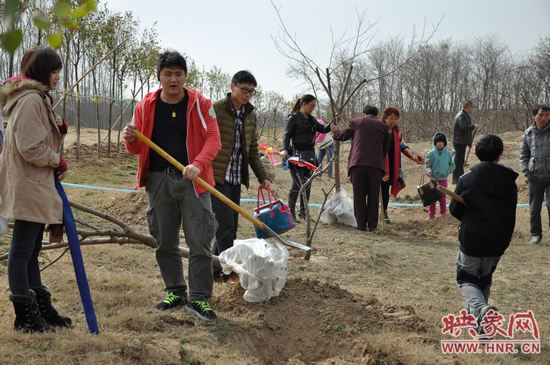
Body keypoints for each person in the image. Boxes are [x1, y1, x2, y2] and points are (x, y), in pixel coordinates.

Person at [123, 50, 221, 320]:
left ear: (185, 76)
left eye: (178, 74)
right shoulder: (146, 105)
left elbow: (214, 139)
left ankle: (199, 298)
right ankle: (175, 291)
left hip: (195, 181)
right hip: (158, 180)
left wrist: (198, 164)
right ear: (159, 77)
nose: (173, 79)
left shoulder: (201, 104)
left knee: (200, 240)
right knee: (164, 239)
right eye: (168, 74)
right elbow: (134, 148)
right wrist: (130, 138)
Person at [0, 47, 71, 333]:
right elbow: (30, 146)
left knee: (31, 251)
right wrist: (56, 159)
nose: (57, 77)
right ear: (42, 71)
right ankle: (26, 316)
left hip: (34, 183)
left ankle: (40, 306)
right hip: (29, 183)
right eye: (54, 71)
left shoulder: (35, 99)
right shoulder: (30, 100)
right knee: (21, 252)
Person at [450, 135, 517, 331]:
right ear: (500, 154)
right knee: (484, 280)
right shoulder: (510, 182)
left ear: (477, 154)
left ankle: (480, 311)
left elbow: (455, 210)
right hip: (498, 242)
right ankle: (482, 327)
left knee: (467, 278)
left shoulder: (467, 180)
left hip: (473, 240)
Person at [210, 70, 269, 283]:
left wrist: (263, 177)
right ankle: (228, 271)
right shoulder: (215, 110)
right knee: (225, 225)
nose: (247, 95)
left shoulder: (250, 115)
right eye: (244, 90)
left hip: (235, 177)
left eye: (252, 92)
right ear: (232, 86)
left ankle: (215, 268)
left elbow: (252, 150)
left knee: (230, 226)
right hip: (216, 176)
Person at [332, 105, 389, 231]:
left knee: (359, 196)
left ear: (364, 113)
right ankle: (372, 225)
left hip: (358, 164)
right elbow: (386, 148)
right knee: (373, 197)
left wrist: (335, 130)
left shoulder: (356, 122)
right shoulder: (384, 127)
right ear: (376, 115)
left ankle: (361, 225)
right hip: (376, 166)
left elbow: (342, 136)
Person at [281, 94, 331, 221]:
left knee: (307, 184)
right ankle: (290, 211)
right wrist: (284, 149)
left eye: (314, 106)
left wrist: (334, 121)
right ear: (304, 103)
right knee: (298, 184)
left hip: (310, 155)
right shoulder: (294, 118)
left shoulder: (312, 119)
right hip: (296, 155)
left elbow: (324, 130)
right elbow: (287, 135)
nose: (313, 108)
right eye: (311, 105)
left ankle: (304, 212)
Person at [380, 106, 423, 224]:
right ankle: (373, 213)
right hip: (380, 165)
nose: (393, 121)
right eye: (390, 118)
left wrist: (414, 157)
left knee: (385, 190)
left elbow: (403, 147)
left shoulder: (397, 133)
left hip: (392, 166)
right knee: (375, 190)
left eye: (395, 118)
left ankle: (384, 213)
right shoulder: (379, 130)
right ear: (385, 118)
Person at [519, 105, 550, 245]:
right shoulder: (528, 134)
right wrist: (527, 172)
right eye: (540, 115)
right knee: (534, 207)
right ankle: (536, 234)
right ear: (534, 116)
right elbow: (523, 155)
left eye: (547, 115)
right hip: (535, 176)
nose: (543, 118)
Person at [425, 132, 455, 220]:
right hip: (433, 179)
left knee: (442, 197)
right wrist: (429, 171)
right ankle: (431, 215)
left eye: (442, 142)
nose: (440, 143)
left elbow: (452, 165)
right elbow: (427, 165)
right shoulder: (430, 153)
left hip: (443, 179)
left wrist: (448, 171)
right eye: (438, 142)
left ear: (444, 143)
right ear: (435, 142)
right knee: (432, 198)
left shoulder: (448, 154)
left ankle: (443, 214)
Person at [452, 100, 476, 184]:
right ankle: (458, 179)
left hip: (462, 142)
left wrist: (469, 142)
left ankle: (458, 179)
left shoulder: (465, 115)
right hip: (459, 142)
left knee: (460, 161)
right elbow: (464, 127)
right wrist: (472, 126)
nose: (472, 109)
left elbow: (465, 131)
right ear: (468, 107)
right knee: (459, 161)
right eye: (471, 107)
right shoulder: (461, 116)